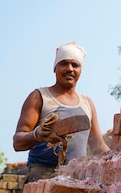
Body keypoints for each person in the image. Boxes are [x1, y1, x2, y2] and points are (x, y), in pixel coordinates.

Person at [13, 41, 110, 183]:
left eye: (75, 65)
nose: (70, 69)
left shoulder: (87, 103)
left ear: (80, 71)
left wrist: (120, 158)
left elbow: (98, 145)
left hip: (76, 176)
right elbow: (17, 143)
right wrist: (37, 135)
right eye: (64, 63)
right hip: (42, 175)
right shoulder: (39, 97)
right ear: (55, 68)